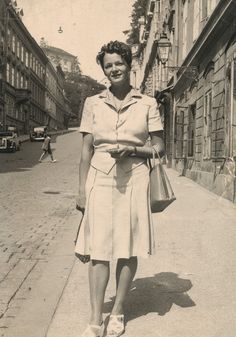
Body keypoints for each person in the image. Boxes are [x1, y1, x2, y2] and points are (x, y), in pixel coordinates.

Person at [75, 41, 164, 337]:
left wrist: (135, 151)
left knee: (126, 247)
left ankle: (118, 310)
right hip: (99, 179)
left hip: (135, 178)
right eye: (108, 65)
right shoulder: (92, 103)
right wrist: (81, 189)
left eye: (119, 63)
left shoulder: (148, 103)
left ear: (129, 65)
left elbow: (159, 146)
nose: (114, 69)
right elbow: (86, 150)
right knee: (98, 249)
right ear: (104, 69)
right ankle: (94, 318)